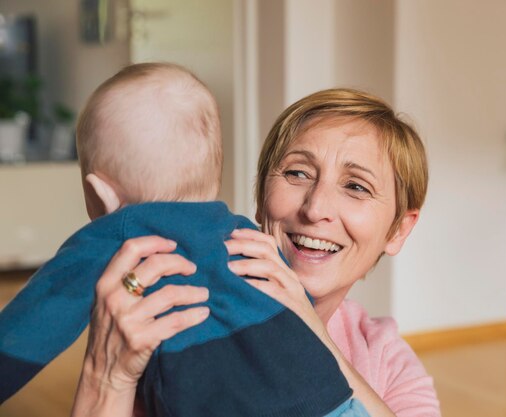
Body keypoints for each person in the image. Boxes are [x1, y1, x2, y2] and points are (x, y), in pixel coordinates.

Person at [0, 64, 370, 417]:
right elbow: (292, 303)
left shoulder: (119, 232)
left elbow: (33, 325)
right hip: (333, 399)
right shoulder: (244, 233)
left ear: (99, 194)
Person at [70, 87, 442, 417]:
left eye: (357, 186)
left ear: (398, 229)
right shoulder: (177, 310)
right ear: (262, 199)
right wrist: (107, 377)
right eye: (297, 173)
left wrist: (314, 338)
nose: (315, 209)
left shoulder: (387, 361)